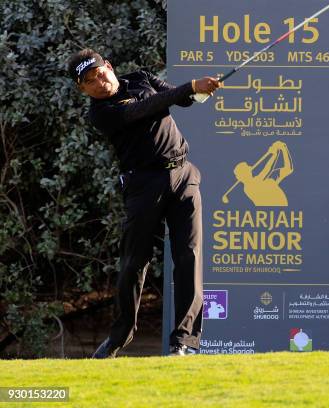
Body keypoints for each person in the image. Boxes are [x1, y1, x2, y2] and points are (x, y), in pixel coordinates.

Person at [66, 48, 220, 357]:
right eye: (89, 81)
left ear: (109, 66)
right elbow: (145, 109)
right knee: (134, 263)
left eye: (99, 73)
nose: (99, 81)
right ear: (82, 89)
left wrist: (201, 91)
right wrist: (190, 86)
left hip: (183, 175)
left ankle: (184, 343)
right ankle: (119, 337)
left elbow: (179, 99)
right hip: (142, 185)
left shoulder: (141, 78)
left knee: (188, 257)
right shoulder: (100, 113)